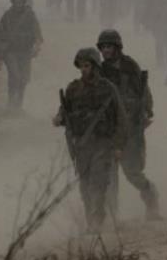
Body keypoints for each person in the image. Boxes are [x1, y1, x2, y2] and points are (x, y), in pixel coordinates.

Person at [53, 48, 127, 233]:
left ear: (95, 66)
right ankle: (90, 221)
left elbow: (121, 118)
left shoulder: (108, 88)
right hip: (81, 145)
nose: (84, 69)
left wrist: (118, 146)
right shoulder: (73, 89)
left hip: (103, 143)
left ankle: (98, 220)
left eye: (87, 65)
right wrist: (59, 118)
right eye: (81, 66)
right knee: (85, 186)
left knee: (99, 182)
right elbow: (64, 112)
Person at [97, 30, 161, 221]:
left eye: (109, 46)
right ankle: (112, 214)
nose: (106, 51)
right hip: (110, 128)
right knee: (109, 174)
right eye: (103, 47)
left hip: (131, 127)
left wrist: (147, 111)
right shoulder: (100, 71)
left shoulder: (130, 67)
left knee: (132, 171)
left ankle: (151, 197)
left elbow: (143, 91)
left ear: (117, 47)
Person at [0, 0, 42, 109]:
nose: (18, 4)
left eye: (20, 2)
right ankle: (10, 102)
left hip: (25, 51)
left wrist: (36, 47)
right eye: (15, 2)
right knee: (15, 76)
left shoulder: (30, 16)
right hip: (11, 51)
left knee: (23, 79)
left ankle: (18, 105)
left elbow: (37, 32)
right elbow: (0, 32)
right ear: (12, 2)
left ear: (24, 3)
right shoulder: (7, 15)